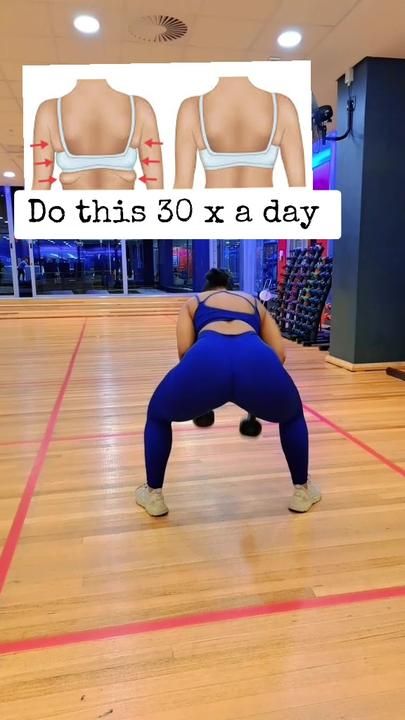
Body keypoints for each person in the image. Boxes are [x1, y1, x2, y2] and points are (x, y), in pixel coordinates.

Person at [136, 268, 321, 517]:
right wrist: (255, 400)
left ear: (207, 287)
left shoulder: (194, 302)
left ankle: (154, 495)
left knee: (158, 415)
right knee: (292, 416)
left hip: (207, 357)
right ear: (230, 287)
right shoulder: (255, 303)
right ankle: (302, 491)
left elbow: (184, 352)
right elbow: (280, 355)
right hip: (256, 357)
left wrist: (204, 400)